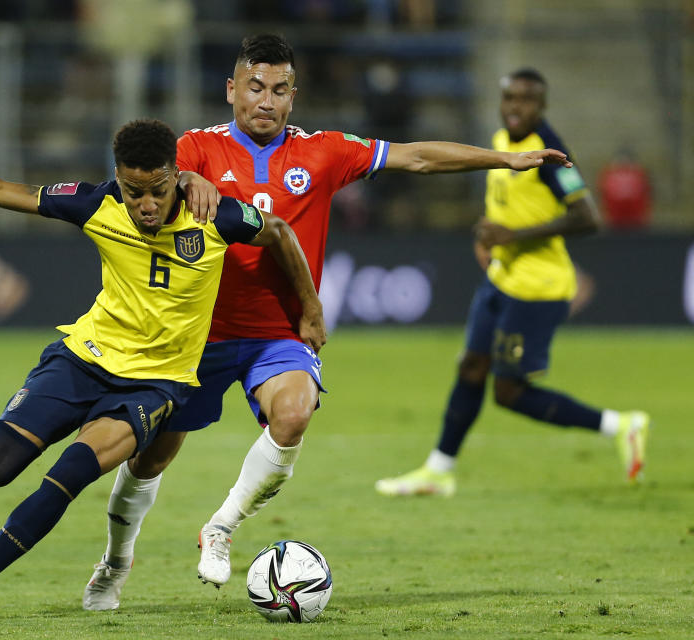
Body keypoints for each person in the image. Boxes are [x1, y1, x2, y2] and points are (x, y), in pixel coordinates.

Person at [82, 35, 575, 610]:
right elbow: (151, 182)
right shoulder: (196, 148)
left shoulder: (324, 152)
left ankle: (220, 526)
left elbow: (415, 156)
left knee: (293, 414)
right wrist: (191, 180)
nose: (266, 101)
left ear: (294, 97)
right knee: (151, 458)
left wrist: (507, 159)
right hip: (198, 333)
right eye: (255, 87)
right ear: (232, 90)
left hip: (280, 335)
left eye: (280, 90)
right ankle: (115, 563)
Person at [0, 118, 324, 624]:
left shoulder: (216, 217)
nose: (146, 205)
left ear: (177, 176)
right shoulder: (97, 204)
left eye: (156, 191)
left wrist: (310, 307)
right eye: (134, 193)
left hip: (155, 386)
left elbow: (281, 232)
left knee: (69, 475)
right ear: (118, 179)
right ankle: (18, 429)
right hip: (83, 360)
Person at [375, 69, 650, 498]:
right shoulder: (503, 142)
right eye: (509, 98)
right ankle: (439, 470)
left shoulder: (548, 152)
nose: (515, 107)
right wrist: (488, 234)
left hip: (538, 288)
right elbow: (504, 204)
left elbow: (587, 216)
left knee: (508, 392)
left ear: (541, 107)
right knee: (470, 366)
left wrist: (513, 237)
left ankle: (621, 425)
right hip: (502, 278)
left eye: (526, 100)